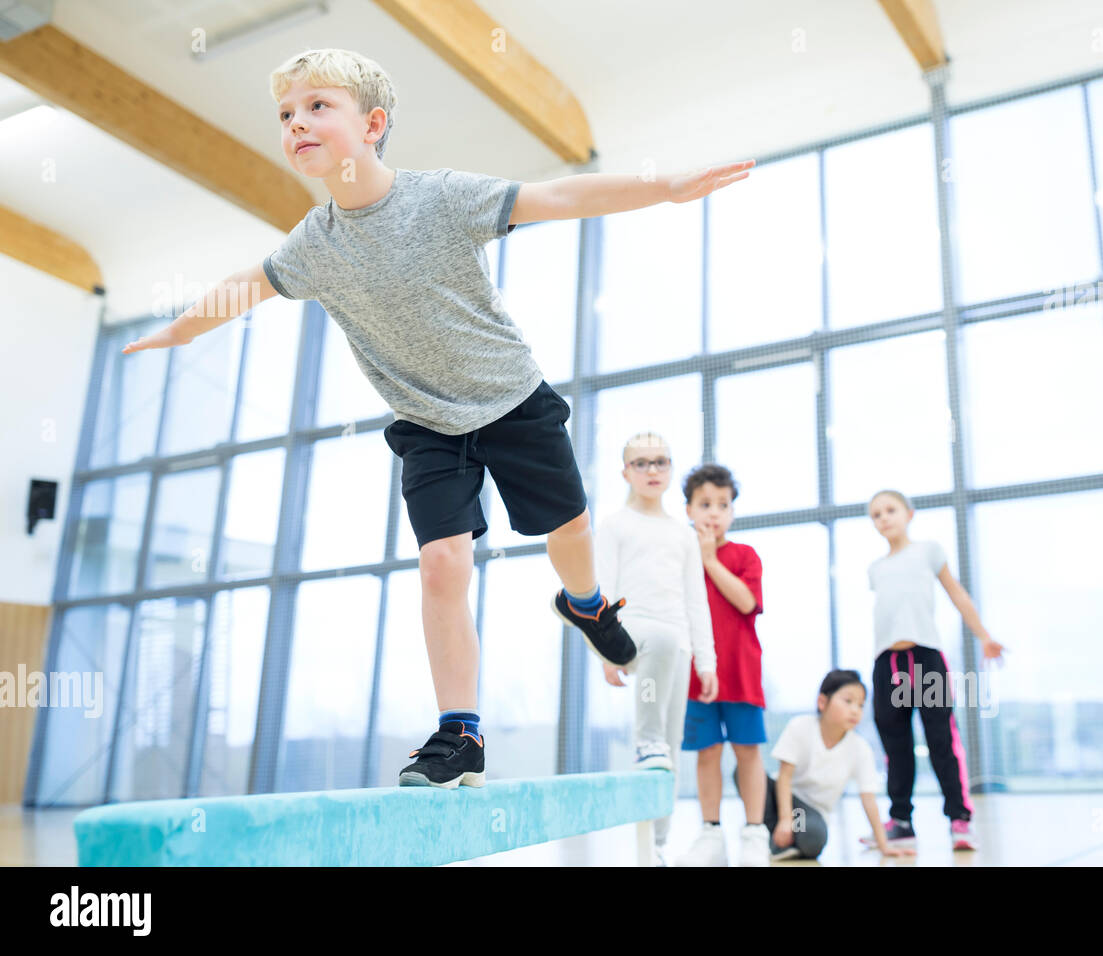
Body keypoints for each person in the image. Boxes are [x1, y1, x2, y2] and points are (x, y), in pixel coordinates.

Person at [120, 47, 753, 789]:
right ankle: (461, 734)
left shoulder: (440, 198)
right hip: (425, 422)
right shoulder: (314, 245)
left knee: (570, 532)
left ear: (373, 123)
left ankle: (586, 607)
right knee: (441, 564)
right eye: (286, 115)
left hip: (511, 399)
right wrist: (178, 330)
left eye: (317, 106)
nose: (297, 124)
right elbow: (244, 286)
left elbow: (558, 197)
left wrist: (666, 186)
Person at [595, 433, 717, 867]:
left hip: (676, 645)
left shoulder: (682, 535)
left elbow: (695, 599)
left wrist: (706, 660)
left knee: (672, 743)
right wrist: (606, 652)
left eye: (660, 462)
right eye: (641, 463)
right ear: (625, 472)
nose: (651, 470)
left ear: (669, 470)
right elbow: (602, 591)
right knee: (654, 739)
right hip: (631, 635)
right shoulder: (613, 526)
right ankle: (645, 741)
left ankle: (657, 846)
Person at [862, 489, 1004, 852]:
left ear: (909, 513)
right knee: (896, 745)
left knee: (942, 740)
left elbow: (956, 593)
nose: (884, 518)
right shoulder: (875, 569)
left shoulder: (928, 551)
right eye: (876, 514)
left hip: (925, 660)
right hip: (887, 663)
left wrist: (984, 636)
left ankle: (960, 821)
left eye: (890, 510)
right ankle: (902, 823)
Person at [673, 464, 770, 867]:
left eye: (723, 504)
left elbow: (747, 602)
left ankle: (753, 832)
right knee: (707, 752)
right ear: (689, 510)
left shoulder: (744, 555)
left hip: (741, 671)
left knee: (747, 750)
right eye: (705, 504)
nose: (714, 512)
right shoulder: (678, 557)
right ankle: (711, 832)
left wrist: (711, 561)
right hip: (695, 676)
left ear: (732, 511)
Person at [764, 670, 913, 862]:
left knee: (813, 838)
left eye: (860, 705)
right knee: (748, 776)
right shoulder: (800, 726)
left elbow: (868, 798)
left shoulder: (860, 748)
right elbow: (784, 777)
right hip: (781, 798)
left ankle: (783, 842)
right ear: (822, 702)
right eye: (848, 701)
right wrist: (785, 819)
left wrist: (883, 845)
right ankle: (771, 834)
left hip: (807, 813)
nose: (855, 710)